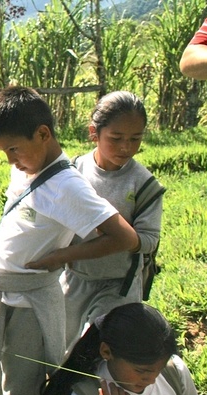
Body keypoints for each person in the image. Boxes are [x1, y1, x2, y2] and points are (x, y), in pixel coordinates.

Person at [0, 86, 139, 395]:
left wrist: (61, 256)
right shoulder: (28, 167)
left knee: (23, 374)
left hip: (29, 301)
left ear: (43, 134)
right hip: (3, 291)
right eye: (5, 151)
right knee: (0, 361)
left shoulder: (67, 186)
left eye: (14, 149)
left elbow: (125, 238)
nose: (10, 159)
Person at [63, 91, 164, 349]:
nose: (125, 147)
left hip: (119, 284)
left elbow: (149, 240)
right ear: (94, 132)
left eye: (135, 139)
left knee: (106, 347)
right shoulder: (73, 172)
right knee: (64, 348)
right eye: (116, 138)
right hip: (74, 278)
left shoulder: (144, 185)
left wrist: (115, 231)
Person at [37, 302, 204, 395]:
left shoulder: (174, 370)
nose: (152, 380)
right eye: (141, 371)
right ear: (106, 352)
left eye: (158, 370)